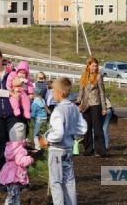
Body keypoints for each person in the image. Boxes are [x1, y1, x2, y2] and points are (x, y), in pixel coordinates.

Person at [45, 77, 87, 205]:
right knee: (69, 181)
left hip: (56, 151)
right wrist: (72, 135)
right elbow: (82, 128)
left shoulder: (58, 110)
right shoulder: (74, 108)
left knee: (56, 182)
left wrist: (47, 139)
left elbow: (58, 133)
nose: (52, 94)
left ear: (61, 93)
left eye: (53, 92)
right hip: (68, 150)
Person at [75, 57, 107, 157]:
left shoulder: (98, 76)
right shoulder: (84, 76)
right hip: (85, 105)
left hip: (95, 104)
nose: (95, 68)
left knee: (97, 128)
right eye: (93, 66)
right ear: (88, 66)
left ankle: (100, 150)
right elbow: (81, 91)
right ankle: (88, 149)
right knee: (87, 128)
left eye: (96, 66)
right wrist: (78, 102)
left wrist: (104, 107)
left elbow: (102, 92)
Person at [0, 122, 34, 205]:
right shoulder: (19, 149)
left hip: (9, 172)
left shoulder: (9, 147)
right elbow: (20, 160)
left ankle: (13, 203)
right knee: (14, 194)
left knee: (12, 192)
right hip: (15, 174)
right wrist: (30, 159)